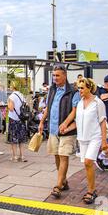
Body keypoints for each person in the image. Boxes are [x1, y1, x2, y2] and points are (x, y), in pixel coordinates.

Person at [39, 64, 80, 198]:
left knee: (63, 156)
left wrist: (65, 123)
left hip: (67, 131)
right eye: (53, 75)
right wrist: (41, 121)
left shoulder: (73, 91)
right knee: (56, 155)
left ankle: (58, 186)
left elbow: (74, 111)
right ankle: (63, 181)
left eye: (57, 75)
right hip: (53, 129)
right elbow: (48, 107)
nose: (55, 78)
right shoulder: (52, 89)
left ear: (65, 75)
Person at [75, 78, 108, 204]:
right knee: (87, 164)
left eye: (82, 88)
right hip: (82, 138)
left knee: (89, 162)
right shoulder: (79, 103)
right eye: (79, 88)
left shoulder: (98, 103)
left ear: (89, 88)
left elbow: (103, 121)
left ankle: (91, 191)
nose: (80, 90)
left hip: (95, 137)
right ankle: (92, 189)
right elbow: (77, 121)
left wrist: (104, 140)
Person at [7, 80, 28, 162]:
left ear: (12, 87)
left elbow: (11, 108)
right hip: (21, 119)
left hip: (14, 119)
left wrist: (7, 104)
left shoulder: (11, 96)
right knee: (21, 139)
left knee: (14, 138)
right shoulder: (21, 95)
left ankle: (15, 156)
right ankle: (22, 156)